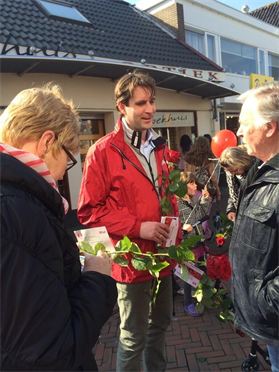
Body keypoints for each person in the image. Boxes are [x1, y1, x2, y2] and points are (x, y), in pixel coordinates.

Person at [0, 84, 117, 371]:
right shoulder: (20, 213)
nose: (67, 166)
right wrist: (97, 278)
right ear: (46, 142)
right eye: (68, 153)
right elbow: (54, 351)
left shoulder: (17, 201)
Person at [78, 71, 178, 372]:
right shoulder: (101, 152)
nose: (150, 109)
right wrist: (139, 227)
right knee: (133, 336)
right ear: (122, 107)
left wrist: (174, 228)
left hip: (163, 257)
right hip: (132, 264)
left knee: (160, 326)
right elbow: (88, 213)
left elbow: (163, 195)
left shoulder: (160, 147)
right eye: (141, 103)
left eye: (152, 101)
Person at [229, 83, 279, 371]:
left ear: (269, 128)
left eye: (245, 124)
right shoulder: (259, 170)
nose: (238, 132)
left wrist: (264, 301)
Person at [177, 171, 211, 317]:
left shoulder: (191, 199)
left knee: (201, 269)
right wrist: (181, 227)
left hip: (198, 241)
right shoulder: (177, 203)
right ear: (184, 186)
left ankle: (201, 297)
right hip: (187, 244)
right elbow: (172, 222)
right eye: (191, 183)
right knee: (188, 275)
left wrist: (205, 200)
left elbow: (201, 215)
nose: (195, 185)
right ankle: (187, 303)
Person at [220, 145, 255, 222]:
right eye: (230, 171)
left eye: (235, 170)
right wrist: (231, 209)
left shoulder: (255, 170)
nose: (233, 174)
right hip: (241, 215)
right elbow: (233, 193)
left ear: (242, 162)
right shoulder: (230, 174)